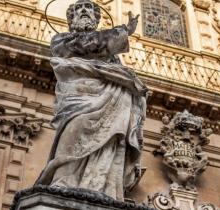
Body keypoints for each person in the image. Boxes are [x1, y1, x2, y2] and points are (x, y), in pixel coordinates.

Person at [35, 0, 147, 201]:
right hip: (77, 97)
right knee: (73, 133)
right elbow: (87, 45)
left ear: (97, 18)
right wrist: (123, 31)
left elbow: (117, 72)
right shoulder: (61, 41)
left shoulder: (112, 58)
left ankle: (101, 186)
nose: (84, 10)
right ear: (71, 19)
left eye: (89, 8)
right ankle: (63, 184)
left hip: (111, 100)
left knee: (111, 140)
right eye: (79, 9)